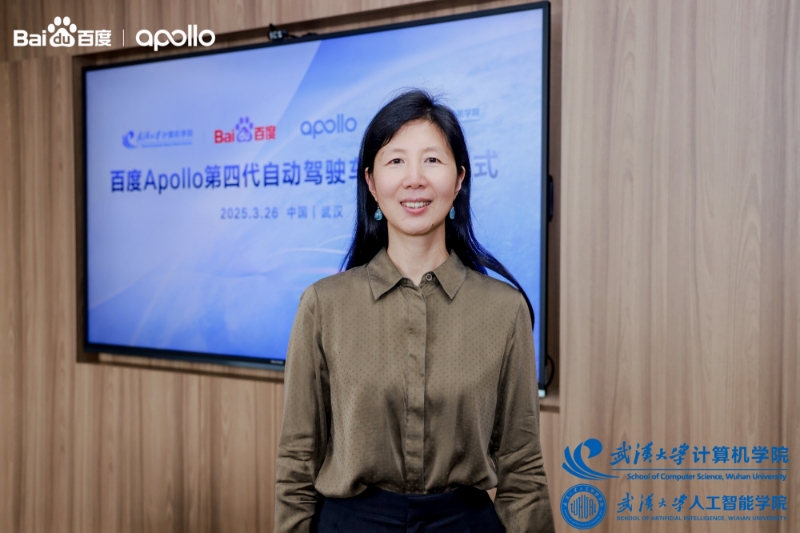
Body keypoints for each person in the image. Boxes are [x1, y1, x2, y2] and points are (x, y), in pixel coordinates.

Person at [275, 89, 555, 533]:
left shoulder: (504, 310)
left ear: (459, 179)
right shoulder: (323, 305)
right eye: (396, 161)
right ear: (371, 183)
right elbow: (297, 460)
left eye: (432, 160)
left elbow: (522, 467)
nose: (414, 179)